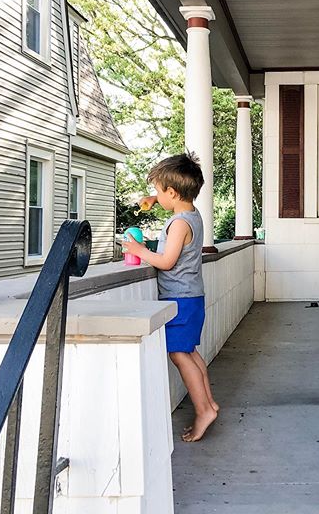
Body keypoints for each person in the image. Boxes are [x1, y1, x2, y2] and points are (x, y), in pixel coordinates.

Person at [123, 153, 218, 442]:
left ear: (173, 192)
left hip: (180, 299)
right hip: (191, 297)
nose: (156, 196)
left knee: (179, 354)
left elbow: (166, 261)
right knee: (189, 352)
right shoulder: (191, 214)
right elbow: (170, 202)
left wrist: (139, 251)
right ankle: (209, 404)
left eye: (160, 191)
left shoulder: (178, 224)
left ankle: (203, 410)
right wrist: (155, 198)